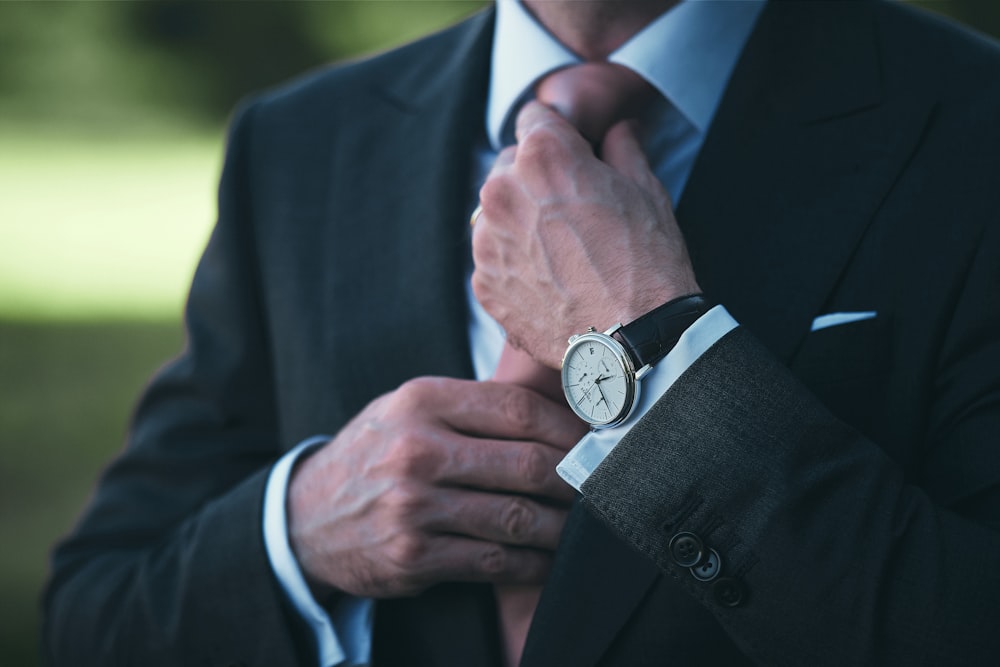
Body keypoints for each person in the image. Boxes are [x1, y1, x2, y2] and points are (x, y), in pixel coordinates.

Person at [43, 0, 1000, 665]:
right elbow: (97, 615)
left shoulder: (973, 128)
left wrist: (642, 338)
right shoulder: (298, 146)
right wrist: (304, 526)